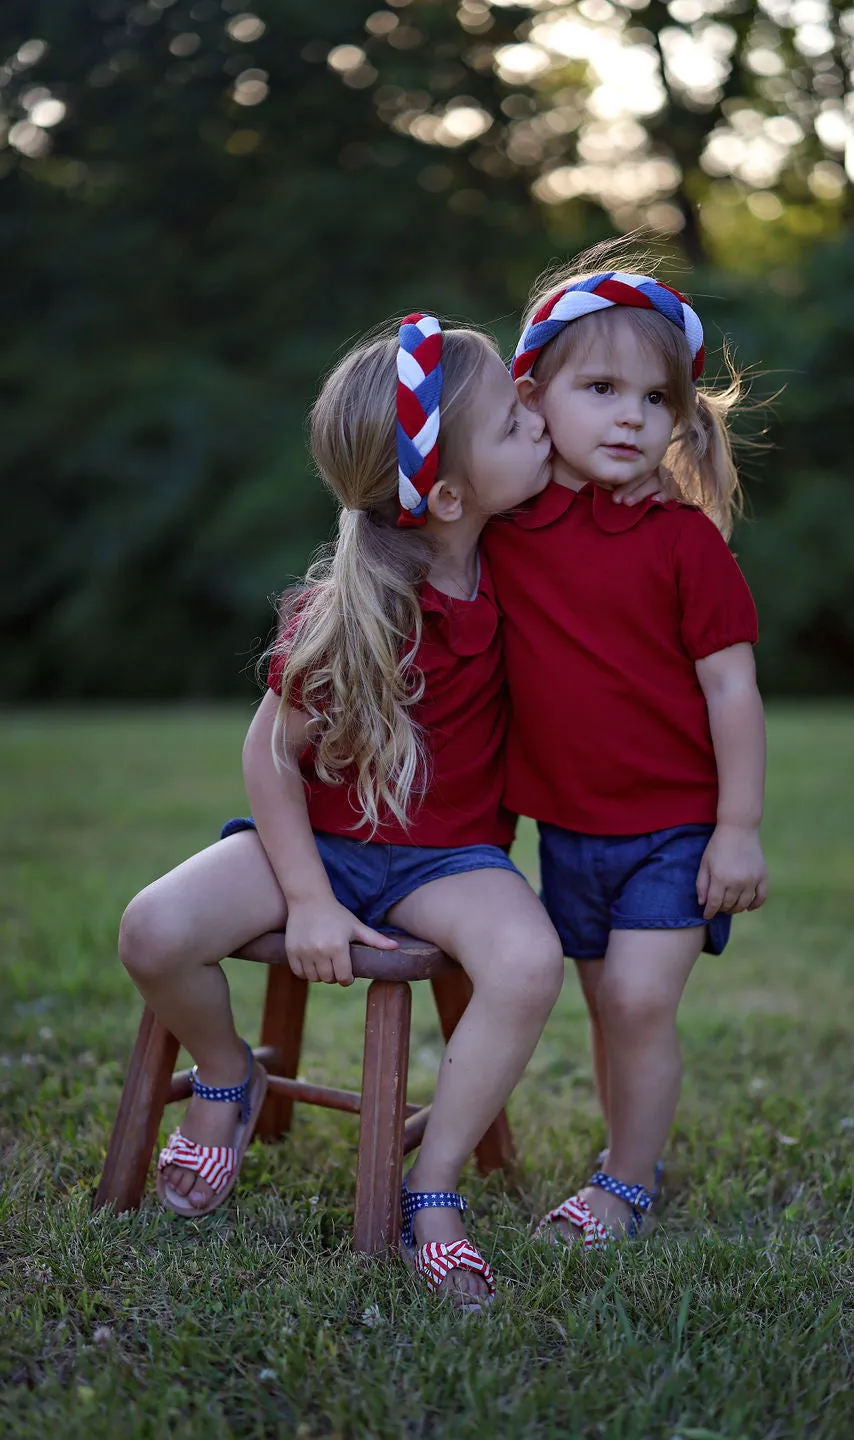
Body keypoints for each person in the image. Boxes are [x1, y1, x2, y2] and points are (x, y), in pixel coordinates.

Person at [118, 314, 563, 1309]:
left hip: (448, 858)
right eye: (509, 420)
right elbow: (271, 752)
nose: (535, 420)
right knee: (153, 927)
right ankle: (229, 1076)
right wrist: (308, 898)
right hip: (314, 843)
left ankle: (432, 1182)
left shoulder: (523, 559)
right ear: (445, 494)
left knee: (529, 961)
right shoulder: (354, 608)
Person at [486, 252, 768, 1248]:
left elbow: (731, 687)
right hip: (568, 826)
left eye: (654, 398)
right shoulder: (501, 530)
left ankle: (627, 1182)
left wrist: (736, 829)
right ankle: (621, 1148)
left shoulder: (684, 541)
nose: (629, 417)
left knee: (643, 998)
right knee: (609, 1006)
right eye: (599, 388)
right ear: (532, 396)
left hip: (676, 827)